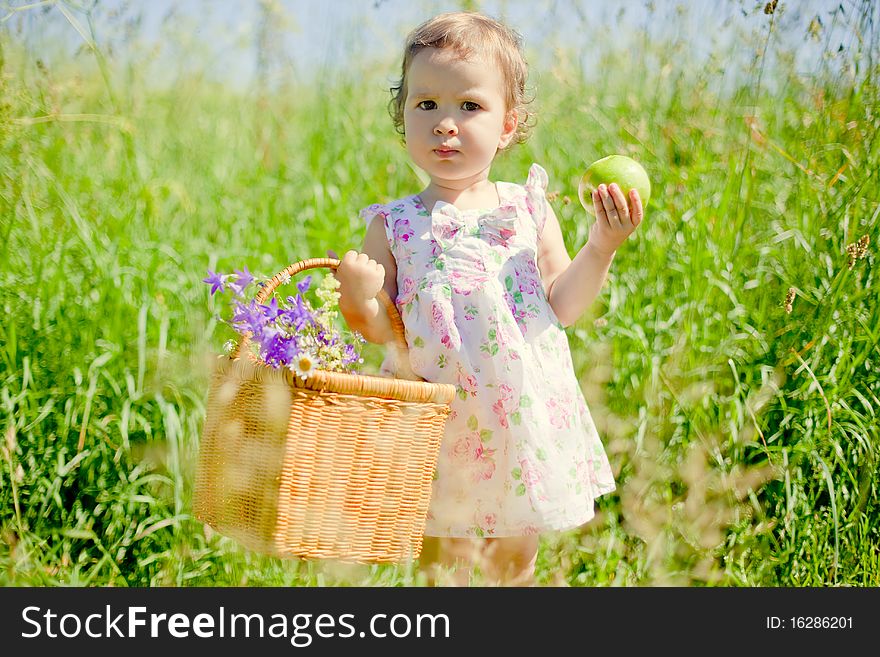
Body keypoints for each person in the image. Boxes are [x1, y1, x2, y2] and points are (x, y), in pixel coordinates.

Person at [334, 11, 644, 586]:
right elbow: (383, 329)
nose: (445, 124)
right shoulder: (393, 225)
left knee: (512, 564)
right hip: (439, 418)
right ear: (402, 117)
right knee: (442, 563)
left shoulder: (527, 208)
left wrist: (601, 245)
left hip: (520, 413)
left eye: (469, 106)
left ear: (508, 125)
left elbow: (562, 304)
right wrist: (358, 299)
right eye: (426, 105)